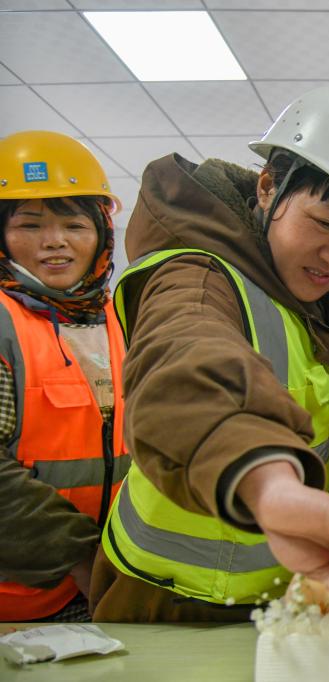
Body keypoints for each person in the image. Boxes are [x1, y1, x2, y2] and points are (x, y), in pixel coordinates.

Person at [89, 86, 329, 622]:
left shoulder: (319, 307)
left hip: (274, 601)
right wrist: (271, 487)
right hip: (166, 607)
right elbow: (189, 363)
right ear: (268, 188)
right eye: (324, 223)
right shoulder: (197, 275)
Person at [0, 130, 127, 622]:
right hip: (17, 605)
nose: (54, 241)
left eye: (74, 224)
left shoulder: (122, 320)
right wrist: (80, 554)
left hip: (108, 581)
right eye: (30, 225)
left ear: (100, 232)